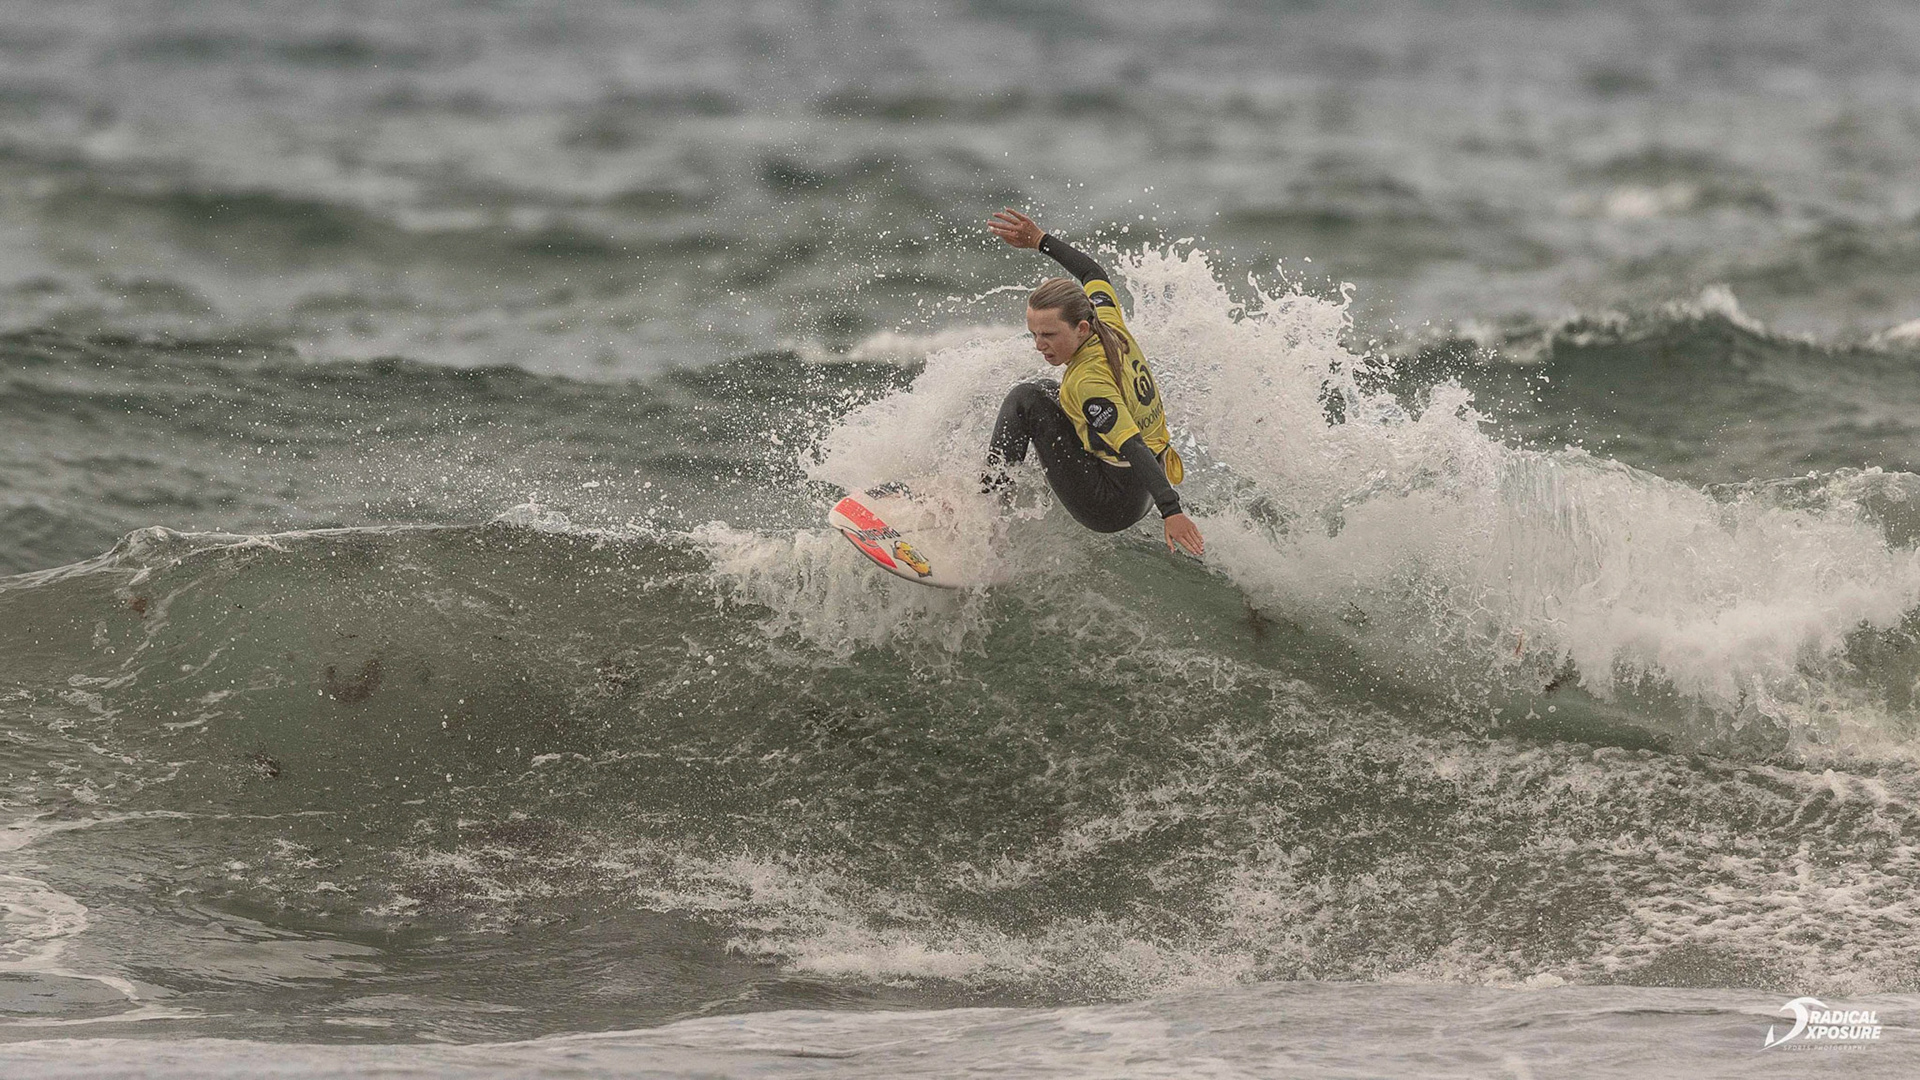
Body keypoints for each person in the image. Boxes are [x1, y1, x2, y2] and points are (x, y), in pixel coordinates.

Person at [983, 208, 1203, 557]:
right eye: (1034, 334)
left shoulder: (1088, 382)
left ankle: (985, 517)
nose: (1039, 345)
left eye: (1049, 335)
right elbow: (1092, 273)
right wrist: (1039, 240)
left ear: (1081, 328)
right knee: (1045, 390)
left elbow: (1133, 446)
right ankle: (1002, 486)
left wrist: (1171, 511)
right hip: (1144, 477)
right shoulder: (1107, 320)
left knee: (1025, 399)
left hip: (1112, 504)